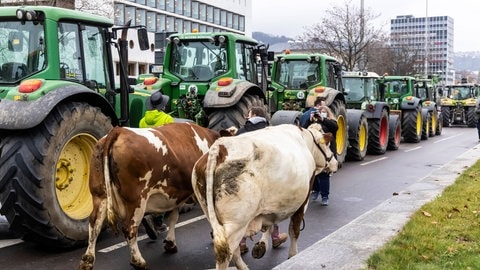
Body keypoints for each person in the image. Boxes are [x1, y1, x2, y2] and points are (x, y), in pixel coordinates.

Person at [236, 106, 288, 254]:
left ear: (252, 115)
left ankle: (242, 243)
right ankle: (276, 237)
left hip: (248, 177)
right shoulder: (272, 132)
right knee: (272, 209)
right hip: (269, 178)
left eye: (249, 114)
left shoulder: (241, 132)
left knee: (246, 211)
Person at [139, 90, 174, 240]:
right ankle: (158, 220)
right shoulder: (168, 119)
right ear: (163, 105)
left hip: (145, 157)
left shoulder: (142, 121)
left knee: (146, 189)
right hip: (161, 158)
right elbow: (172, 141)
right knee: (168, 191)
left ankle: (144, 213)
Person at [300, 97, 338, 206]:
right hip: (315, 151)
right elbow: (304, 129)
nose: (322, 113)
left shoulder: (330, 122)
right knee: (315, 173)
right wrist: (310, 120)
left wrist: (323, 119)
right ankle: (315, 191)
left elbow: (334, 127)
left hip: (326, 152)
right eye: (320, 112)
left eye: (324, 112)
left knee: (324, 174)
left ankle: (325, 196)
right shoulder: (313, 122)